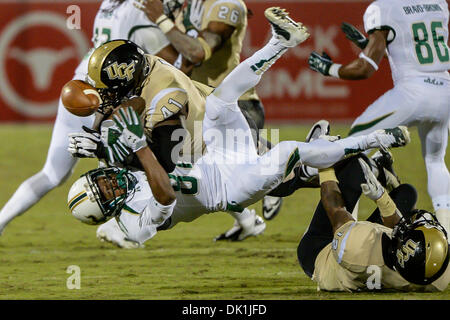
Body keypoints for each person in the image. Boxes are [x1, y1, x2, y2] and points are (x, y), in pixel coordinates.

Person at [68, 7, 412, 248]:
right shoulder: (134, 225)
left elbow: (139, 140)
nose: (110, 180)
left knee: (223, 102)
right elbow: (164, 187)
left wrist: (101, 136)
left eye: (102, 179)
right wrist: (108, 136)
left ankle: (279, 42)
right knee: (288, 155)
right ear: (110, 212)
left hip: (210, 149)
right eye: (109, 190)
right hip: (229, 188)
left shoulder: (161, 95)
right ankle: (372, 141)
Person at [0, 0, 202, 235]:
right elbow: (176, 64)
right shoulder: (141, 12)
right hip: (113, 98)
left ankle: (2, 220)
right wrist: (187, 30)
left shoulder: (109, 5)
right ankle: (130, 224)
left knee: (53, 173)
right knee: (166, 158)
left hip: (83, 91)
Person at [307, 0, 450, 235]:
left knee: (351, 145)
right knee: (435, 160)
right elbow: (414, 49)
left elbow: (365, 68)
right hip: (444, 91)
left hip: (412, 93)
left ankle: (347, 228)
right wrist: (369, 43)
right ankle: (446, 231)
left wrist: (329, 69)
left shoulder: (384, 7)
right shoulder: (438, 4)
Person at [134, 0, 284, 219]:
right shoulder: (186, 8)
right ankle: (271, 171)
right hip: (201, 107)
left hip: (234, 107)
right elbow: (169, 59)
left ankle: (309, 168)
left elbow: (196, 52)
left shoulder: (226, 5)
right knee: (208, 179)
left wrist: (161, 20)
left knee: (229, 180)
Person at [297, 151, 449, 292]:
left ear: (400, 242)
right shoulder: (434, 278)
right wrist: (382, 198)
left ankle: (300, 175)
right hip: (370, 256)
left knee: (356, 164)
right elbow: (400, 233)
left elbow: (336, 210)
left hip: (321, 253)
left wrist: (325, 166)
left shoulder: (358, 243)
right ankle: (382, 176)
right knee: (406, 194)